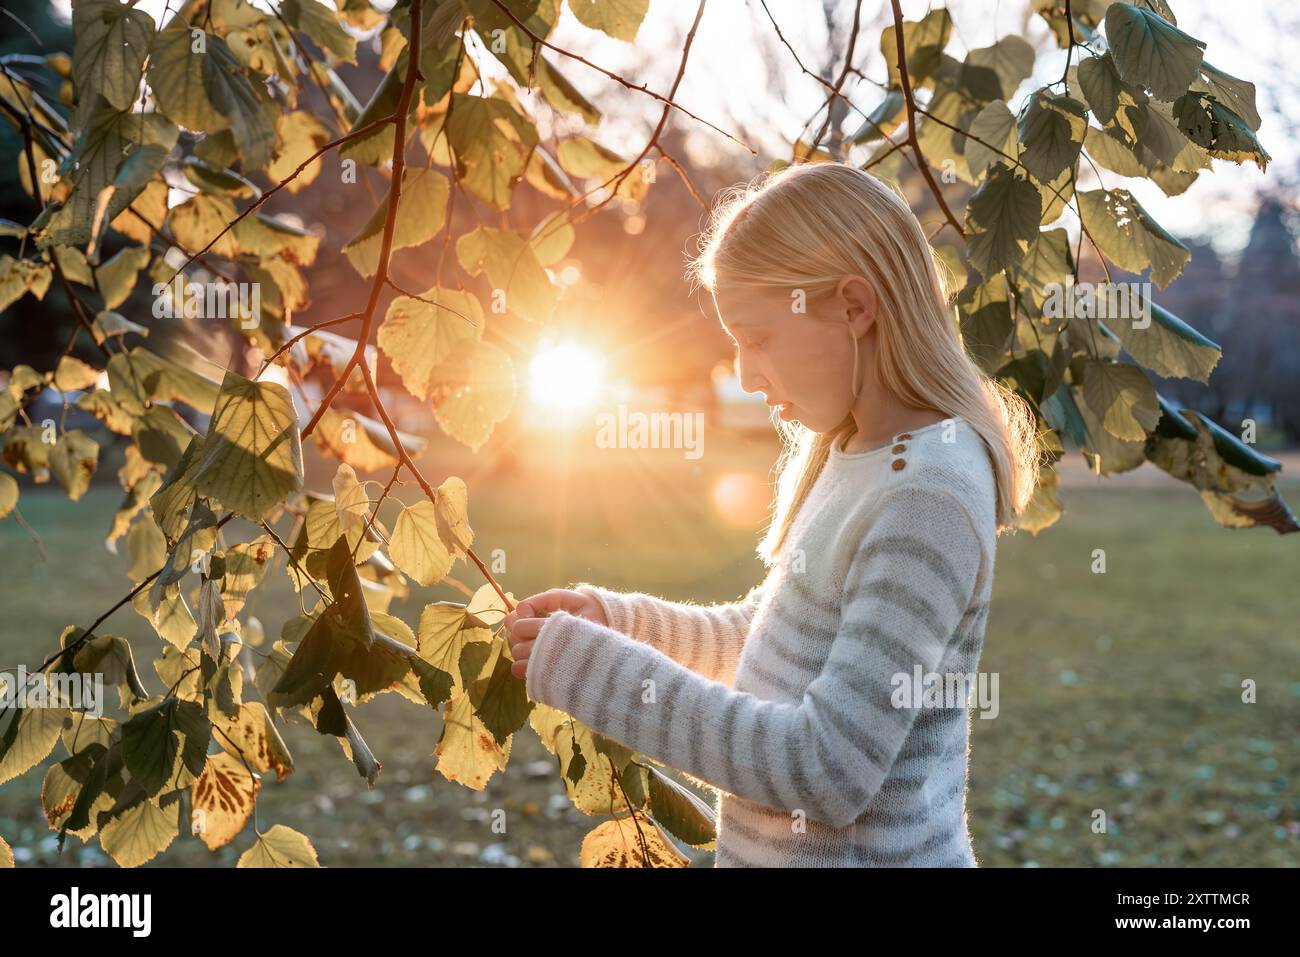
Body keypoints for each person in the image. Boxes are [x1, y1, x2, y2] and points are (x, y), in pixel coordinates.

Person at [504, 161, 1042, 867]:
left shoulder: (928, 495)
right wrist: (624, 625)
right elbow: (772, 645)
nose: (746, 373)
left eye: (757, 337)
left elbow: (824, 770)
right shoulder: (858, 449)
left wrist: (599, 674)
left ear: (854, 306)